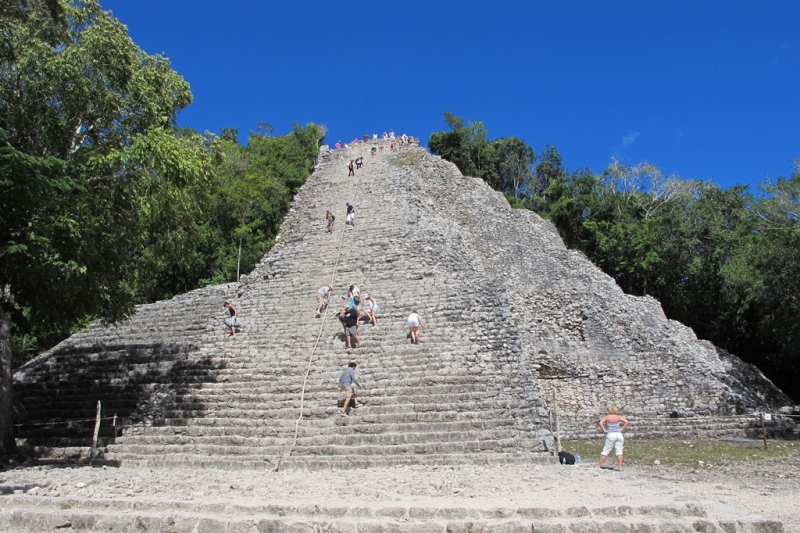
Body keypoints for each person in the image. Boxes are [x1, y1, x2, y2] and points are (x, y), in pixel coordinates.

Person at [596, 405, 629, 471]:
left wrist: (604, 429)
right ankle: (620, 467)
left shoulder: (607, 417)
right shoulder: (618, 417)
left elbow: (600, 423)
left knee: (606, 450)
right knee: (619, 451)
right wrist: (623, 428)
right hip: (619, 434)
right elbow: (626, 422)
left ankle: (599, 465)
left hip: (611, 434)